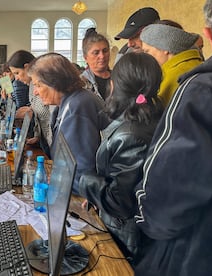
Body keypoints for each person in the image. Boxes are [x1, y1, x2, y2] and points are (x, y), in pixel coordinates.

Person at [134, 1, 212, 275]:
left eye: (147, 51)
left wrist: (143, 220)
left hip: (195, 247)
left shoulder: (187, 84)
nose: (144, 58)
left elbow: (172, 173)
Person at [78, 52, 164, 264]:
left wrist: (86, 182)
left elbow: (119, 201)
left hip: (126, 235)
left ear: (116, 85)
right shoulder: (149, 114)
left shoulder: (132, 135)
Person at [27, 52, 109, 195]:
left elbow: (81, 169)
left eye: (38, 85)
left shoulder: (78, 107)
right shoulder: (70, 102)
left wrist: (56, 186)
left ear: (54, 82)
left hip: (82, 194)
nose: (35, 92)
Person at [140, 23, 203, 106]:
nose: (145, 56)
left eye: (147, 51)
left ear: (164, 48)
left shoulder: (171, 78)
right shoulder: (198, 63)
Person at [7, 50, 52, 157]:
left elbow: (52, 117)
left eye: (17, 73)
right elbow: (38, 115)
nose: (16, 78)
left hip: (53, 143)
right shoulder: (31, 85)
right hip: (44, 141)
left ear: (27, 67)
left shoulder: (43, 85)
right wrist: (37, 136)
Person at [80, 28, 112, 101]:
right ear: (85, 58)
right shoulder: (80, 83)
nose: (102, 56)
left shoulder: (119, 78)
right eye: (96, 53)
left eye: (105, 51)